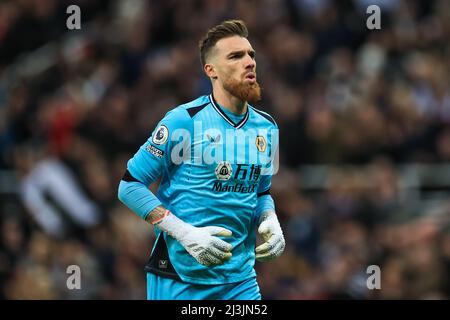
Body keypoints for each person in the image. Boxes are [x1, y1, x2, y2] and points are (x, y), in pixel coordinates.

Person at [118, 19, 285, 300]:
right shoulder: (184, 121)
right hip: (180, 276)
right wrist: (183, 233)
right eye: (235, 56)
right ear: (211, 70)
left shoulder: (268, 128)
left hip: (240, 281)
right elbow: (130, 186)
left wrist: (269, 218)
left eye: (251, 55)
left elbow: (261, 192)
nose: (249, 62)